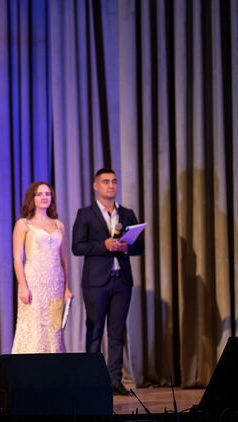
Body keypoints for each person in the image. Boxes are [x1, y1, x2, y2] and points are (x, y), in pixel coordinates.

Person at [71, 168, 143, 396]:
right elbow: (77, 247)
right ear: (96, 186)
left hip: (122, 281)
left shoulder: (127, 213)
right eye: (106, 182)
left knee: (117, 332)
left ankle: (114, 380)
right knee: (94, 331)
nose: (111, 185)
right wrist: (103, 245)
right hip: (96, 282)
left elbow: (140, 246)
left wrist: (126, 247)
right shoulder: (85, 214)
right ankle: (92, 382)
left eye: (114, 181)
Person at [11, 182, 73, 354]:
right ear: (32, 198)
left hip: (55, 282)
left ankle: (53, 365)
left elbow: (63, 259)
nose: (44, 197)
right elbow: (17, 258)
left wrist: (67, 288)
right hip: (34, 282)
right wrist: (23, 286)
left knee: (54, 329)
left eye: (47, 194)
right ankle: (30, 366)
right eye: (40, 194)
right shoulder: (23, 224)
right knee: (34, 326)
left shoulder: (58, 225)